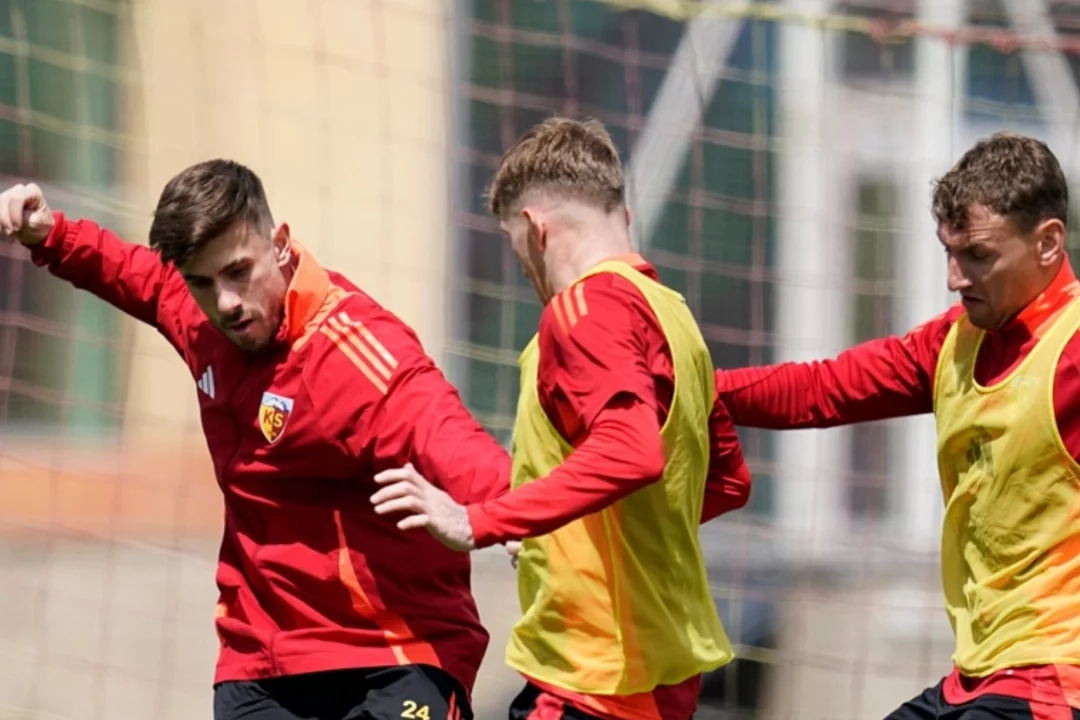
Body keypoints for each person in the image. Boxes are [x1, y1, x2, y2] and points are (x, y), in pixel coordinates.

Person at [0, 161, 510, 720]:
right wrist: (50, 235)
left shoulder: (357, 354)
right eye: (201, 282)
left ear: (281, 244)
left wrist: (514, 517)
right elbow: (138, 276)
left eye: (239, 272)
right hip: (262, 661)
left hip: (394, 651)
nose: (225, 303)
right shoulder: (204, 318)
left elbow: (456, 444)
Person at [371, 117, 753, 720]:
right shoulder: (674, 317)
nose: (525, 268)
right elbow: (727, 482)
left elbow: (631, 452)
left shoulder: (583, 310)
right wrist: (560, 535)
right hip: (663, 676)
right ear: (623, 217)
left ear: (534, 228)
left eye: (515, 247)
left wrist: (479, 520)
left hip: (593, 676)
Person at [712, 131, 1080, 720]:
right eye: (948, 253)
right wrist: (690, 388)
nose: (955, 278)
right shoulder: (952, 343)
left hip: (1053, 681)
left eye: (978, 255)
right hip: (979, 676)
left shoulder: (1072, 350)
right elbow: (822, 389)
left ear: (1048, 243)